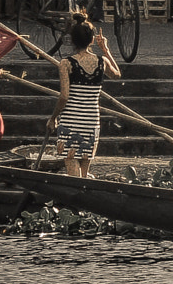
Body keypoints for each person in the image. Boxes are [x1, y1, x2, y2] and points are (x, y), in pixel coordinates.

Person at [20, 13, 121, 176]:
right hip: (91, 122)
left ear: (72, 40)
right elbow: (117, 75)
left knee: (73, 170)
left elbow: (64, 97)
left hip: (71, 122)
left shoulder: (66, 64)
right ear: (92, 40)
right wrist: (106, 50)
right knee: (84, 172)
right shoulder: (102, 61)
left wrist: (53, 118)